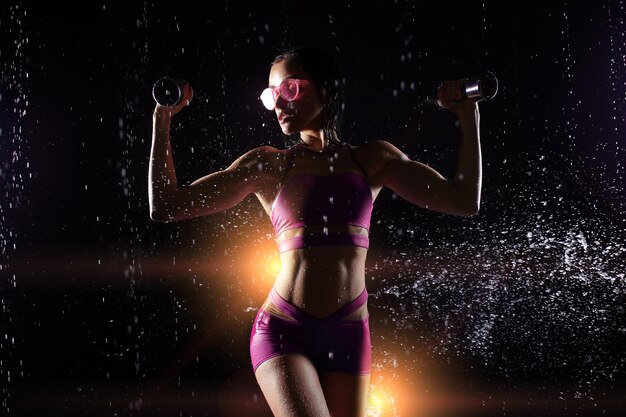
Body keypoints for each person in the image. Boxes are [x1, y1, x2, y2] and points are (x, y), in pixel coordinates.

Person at [149, 47, 481, 417]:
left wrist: (468, 115)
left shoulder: (372, 160)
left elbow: (463, 199)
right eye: (270, 95)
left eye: (289, 89)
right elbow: (166, 206)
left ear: (324, 89)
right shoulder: (270, 165)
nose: (279, 103)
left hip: (350, 333)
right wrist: (162, 119)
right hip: (284, 330)